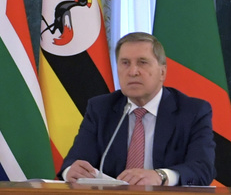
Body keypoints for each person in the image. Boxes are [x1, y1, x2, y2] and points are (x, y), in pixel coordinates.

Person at [61, 31, 215, 186]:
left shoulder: (192, 111)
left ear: (162, 72)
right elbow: (75, 160)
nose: (133, 72)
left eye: (142, 62)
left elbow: (202, 169)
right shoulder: (100, 109)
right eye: (125, 63)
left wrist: (161, 176)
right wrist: (70, 171)